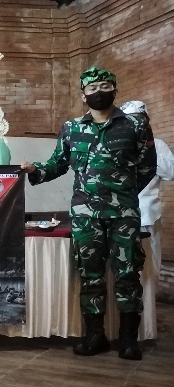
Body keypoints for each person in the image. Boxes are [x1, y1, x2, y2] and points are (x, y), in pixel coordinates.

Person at [21, 67, 156, 360]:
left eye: (105, 86)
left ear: (115, 90)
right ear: (83, 95)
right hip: (86, 215)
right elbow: (57, 164)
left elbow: (148, 167)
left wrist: (124, 193)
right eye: (92, 88)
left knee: (127, 274)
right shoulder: (72, 128)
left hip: (123, 214)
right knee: (90, 275)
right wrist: (35, 170)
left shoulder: (135, 125)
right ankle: (95, 337)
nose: (99, 92)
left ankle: (128, 340)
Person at [119, 100, 174, 279]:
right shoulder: (115, 146)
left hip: (147, 215)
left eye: (139, 119)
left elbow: (170, 173)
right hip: (118, 217)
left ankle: (148, 298)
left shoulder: (157, 145)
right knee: (122, 267)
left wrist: (148, 149)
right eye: (129, 120)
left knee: (149, 266)